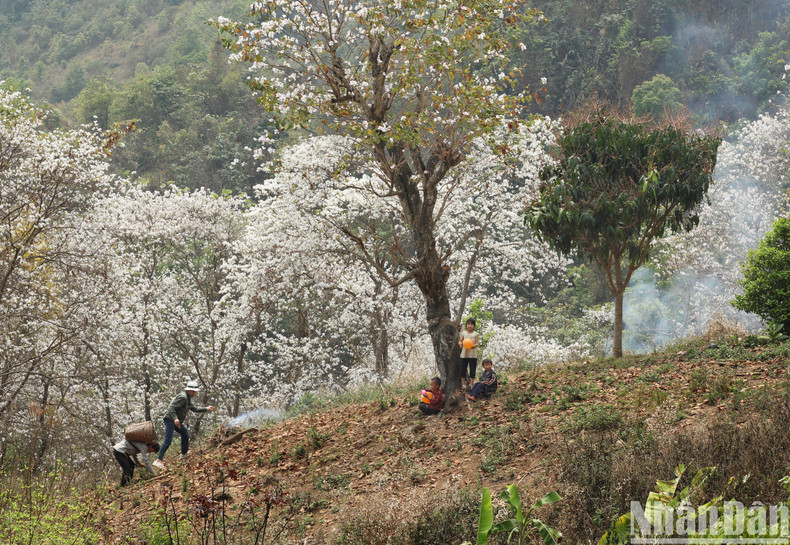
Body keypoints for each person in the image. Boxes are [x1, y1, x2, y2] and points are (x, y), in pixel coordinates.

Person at [153, 381, 215, 469]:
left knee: (185, 433)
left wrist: (206, 408)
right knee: (168, 440)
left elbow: (194, 409)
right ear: (191, 391)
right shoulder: (183, 397)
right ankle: (158, 460)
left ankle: (184, 453)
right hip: (170, 419)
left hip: (176, 421)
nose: (196, 393)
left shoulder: (188, 399)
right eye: (195, 391)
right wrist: (175, 418)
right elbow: (171, 407)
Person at [458, 318, 480, 389]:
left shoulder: (475, 334)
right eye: (468, 324)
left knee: (472, 368)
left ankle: (471, 383)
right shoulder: (464, 333)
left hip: (473, 354)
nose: (470, 326)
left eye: (471, 324)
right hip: (464, 354)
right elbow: (460, 341)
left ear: (474, 326)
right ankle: (463, 382)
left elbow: (477, 343)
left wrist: (474, 346)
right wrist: (460, 344)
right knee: (463, 368)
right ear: (466, 325)